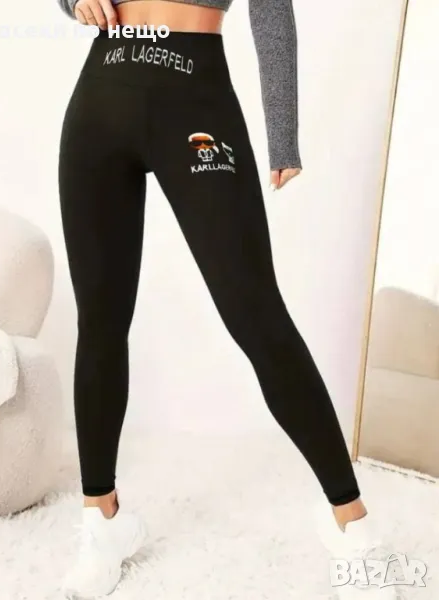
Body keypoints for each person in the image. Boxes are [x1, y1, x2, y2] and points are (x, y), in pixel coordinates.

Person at [56, 0, 395, 597]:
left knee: (256, 315)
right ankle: (101, 519)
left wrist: (283, 136)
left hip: (195, 100)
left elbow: (271, 11)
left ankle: (351, 523)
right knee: (101, 321)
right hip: (101, 97)